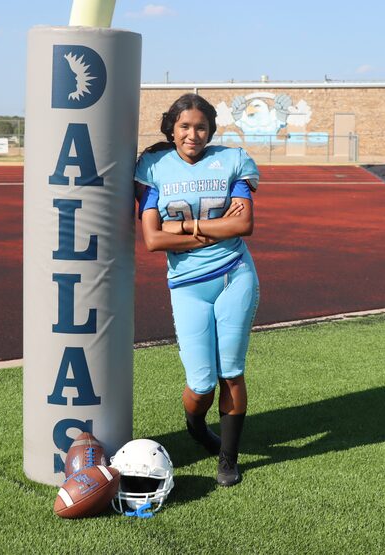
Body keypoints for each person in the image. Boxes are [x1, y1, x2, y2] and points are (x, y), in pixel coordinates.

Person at [135, 93, 260, 487]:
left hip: (234, 274)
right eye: (185, 126)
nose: (193, 134)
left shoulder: (232, 160)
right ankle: (195, 425)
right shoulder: (153, 166)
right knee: (201, 383)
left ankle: (228, 458)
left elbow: (242, 227)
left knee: (232, 372)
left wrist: (185, 228)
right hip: (187, 285)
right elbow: (153, 240)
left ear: (211, 130)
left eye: (201, 127)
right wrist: (209, 227)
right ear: (172, 128)